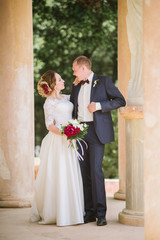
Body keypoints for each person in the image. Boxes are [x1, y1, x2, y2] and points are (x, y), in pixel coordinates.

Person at [70, 56, 126, 226]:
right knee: (84, 173)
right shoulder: (76, 85)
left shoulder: (103, 81)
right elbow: (72, 106)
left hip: (96, 131)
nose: (73, 73)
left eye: (74, 70)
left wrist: (100, 106)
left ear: (83, 68)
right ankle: (90, 213)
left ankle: (101, 214)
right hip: (79, 132)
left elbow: (120, 100)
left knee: (95, 171)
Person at [30, 70, 84, 226]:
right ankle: (58, 213)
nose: (63, 81)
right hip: (58, 141)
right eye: (59, 80)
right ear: (53, 84)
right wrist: (66, 133)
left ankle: (72, 212)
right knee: (59, 175)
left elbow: (75, 98)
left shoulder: (65, 98)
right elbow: (49, 125)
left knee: (70, 173)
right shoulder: (49, 103)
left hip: (69, 140)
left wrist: (77, 84)